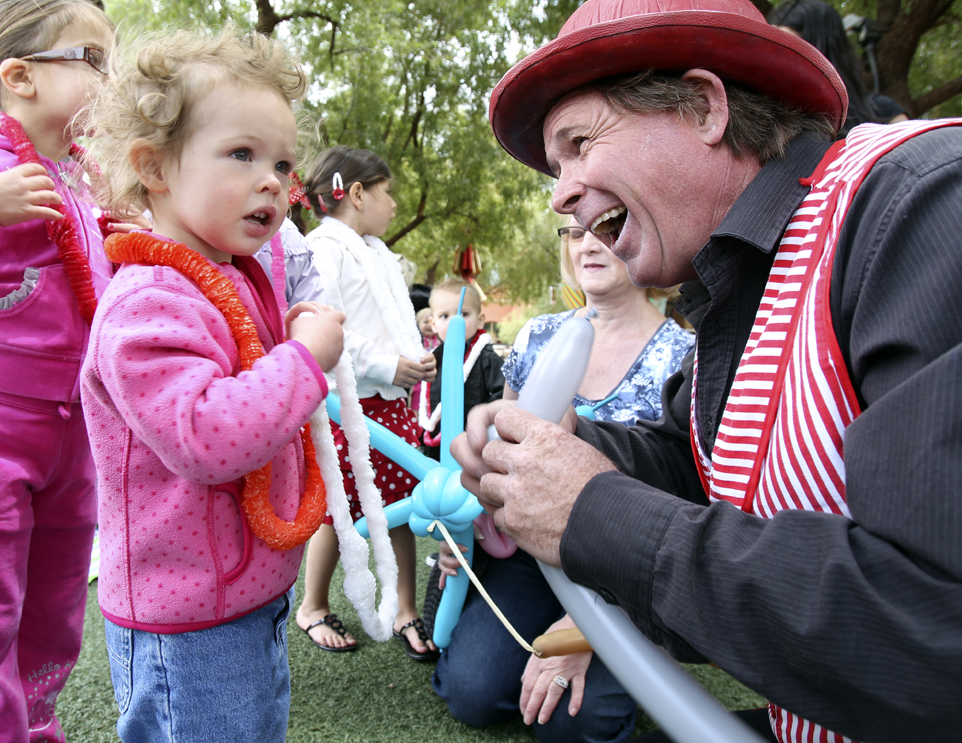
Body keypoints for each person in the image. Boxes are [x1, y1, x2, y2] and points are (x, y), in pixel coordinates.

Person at [454, 0, 962, 743]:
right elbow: (702, 476)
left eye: (579, 146)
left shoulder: (920, 205)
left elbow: (933, 632)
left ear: (704, 107)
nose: (560, 198)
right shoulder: (733, 289)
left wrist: (593, 512)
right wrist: (560, 452)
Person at [80, 27, 345, 742]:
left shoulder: (226, 279)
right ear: (155, 167)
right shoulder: (148, 301)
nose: (273, 181)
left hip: (241, 593)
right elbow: (206, 435)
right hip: (188, 618)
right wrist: (303, 360)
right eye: (242, 154)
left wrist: (289, 336)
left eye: (282, 162)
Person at [432, 229, 692, 743]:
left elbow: (682, 498)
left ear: (643, 234)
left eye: (605, 230)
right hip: (532, 557)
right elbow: (502, 456)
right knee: (472, 692)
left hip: (626, 567)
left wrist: (585, 631)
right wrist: (464, 529)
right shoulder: (537, 334)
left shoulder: (683, 354)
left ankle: (639, 655)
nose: (587, 245)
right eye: (574, 233)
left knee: (576, 724)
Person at [0, 0, 116, 742]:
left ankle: (37, 722)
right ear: (18, 76)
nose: (111, 81)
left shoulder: (89, 181)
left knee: (55, 603)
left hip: (75, 435)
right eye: (94, 61)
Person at [294, 146, 439, 659]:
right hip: (349, 405)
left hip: (390, 405)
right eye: (387, 192)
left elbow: (390, 320)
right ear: (356, 193)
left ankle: (404, 608)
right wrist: (387, 365)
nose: (394, 204)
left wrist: (413, 358)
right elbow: (325, 327)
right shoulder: (323, 248)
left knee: (398, 503)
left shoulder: (376, 251)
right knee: (342, 508)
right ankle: (312, 605)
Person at [768, 0, 909, 133]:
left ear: (822, 52)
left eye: (788, 49)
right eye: (770, 45)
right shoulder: (767, 116)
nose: (775, 58)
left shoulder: (886, 114)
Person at [416, 276, 506, 458]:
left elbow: (502, 397)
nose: (454, 321)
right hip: (437, 448)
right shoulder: (433, 360)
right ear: (433, 324)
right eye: (444, 316)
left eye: (464, 314)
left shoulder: (487, 359)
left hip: (475, 448)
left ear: (480, 320)